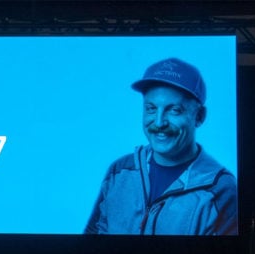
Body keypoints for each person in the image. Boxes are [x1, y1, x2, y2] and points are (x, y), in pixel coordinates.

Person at [85, 57, 237, 235]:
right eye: (151, 108)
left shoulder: (220, 189)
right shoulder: (119, 171)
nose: (158, 122)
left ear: (199, 117)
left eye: (174, 110)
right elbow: (92, 240)